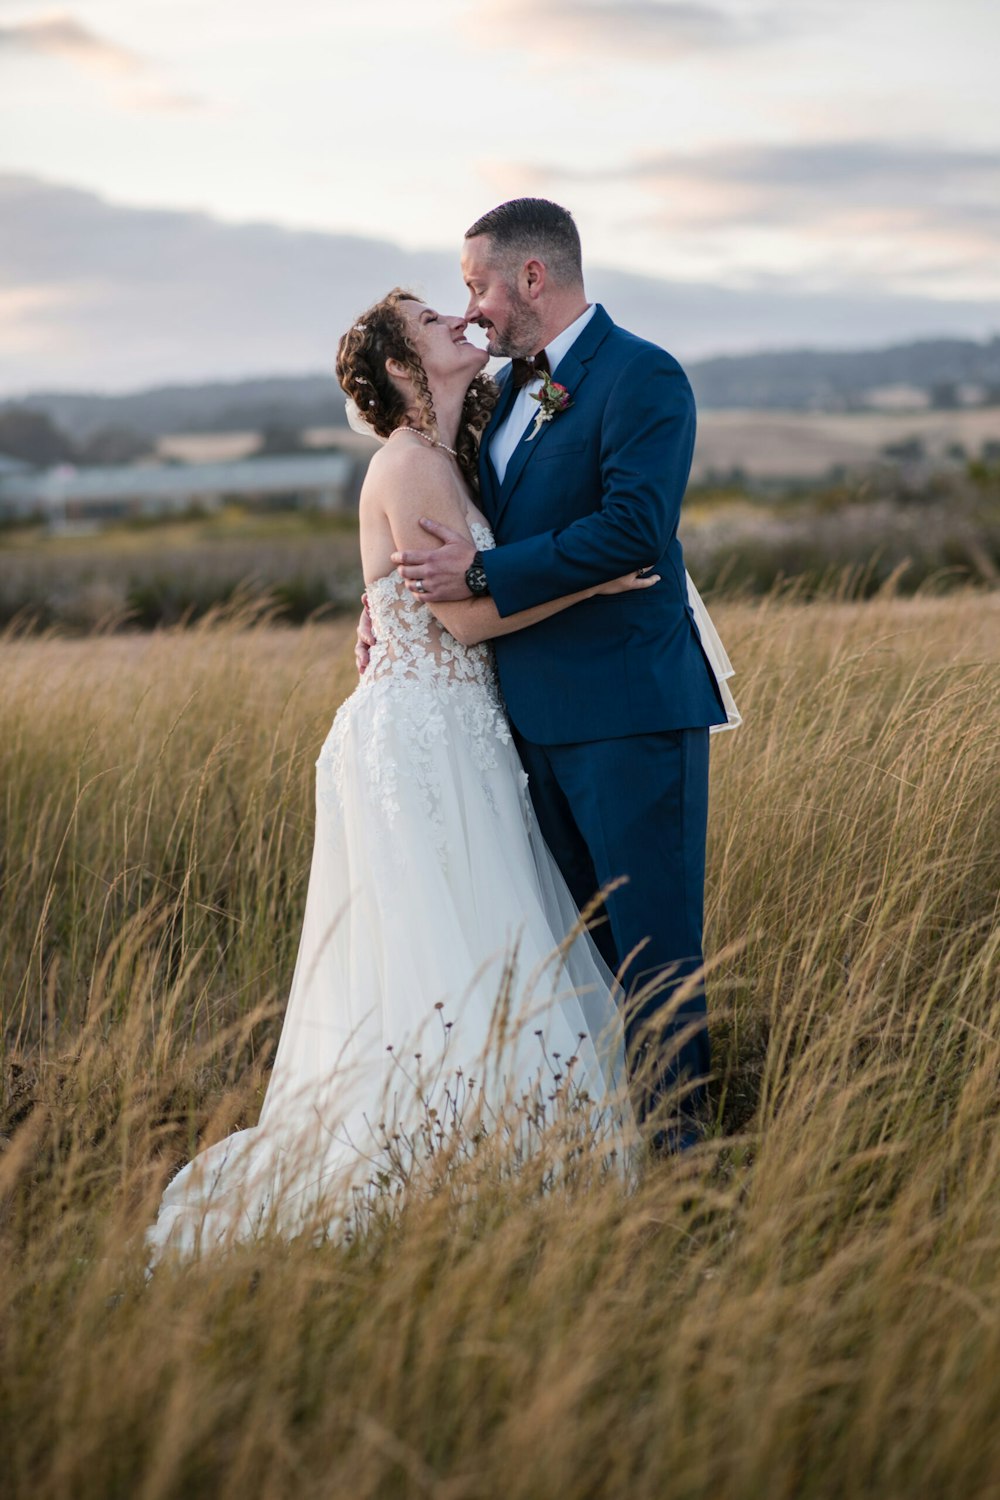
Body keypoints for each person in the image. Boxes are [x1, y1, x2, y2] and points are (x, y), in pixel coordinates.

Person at [145, 288, 654, 1261]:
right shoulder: (413, 462)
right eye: (428, 321)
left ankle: (493, 1152)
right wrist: (596, 577)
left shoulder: (456, 454)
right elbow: (463, 619)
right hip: (421, 737)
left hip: (457, 728)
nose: (457, 320)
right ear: (397, 366)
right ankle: (454, 1164)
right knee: (453, 943)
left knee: (481, 935)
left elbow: (432, 588)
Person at [360, 199, 740, 1148]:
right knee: (585, 967)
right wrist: (386, 605)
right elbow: (445, 529)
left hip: (627, 713)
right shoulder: (498, 398)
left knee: (654, 958)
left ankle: (683, 1163)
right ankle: (607, 1151)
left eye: (477, 286)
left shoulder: (642, 376)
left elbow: (634, 528)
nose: (470, 309)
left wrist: (484, 576)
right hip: (524, 726)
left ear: (532, 277)